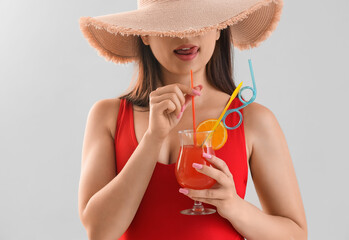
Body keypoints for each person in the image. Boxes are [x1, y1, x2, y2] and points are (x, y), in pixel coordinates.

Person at [78, 0, 307, 239]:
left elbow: (296, 235)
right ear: (144, 34)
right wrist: (152, 138)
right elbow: (99, 232)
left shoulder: (252, 119)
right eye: (171, 24)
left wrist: (234, 207)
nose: (187, 35)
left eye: (200, 21)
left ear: (219, 28)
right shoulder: (108, 116)